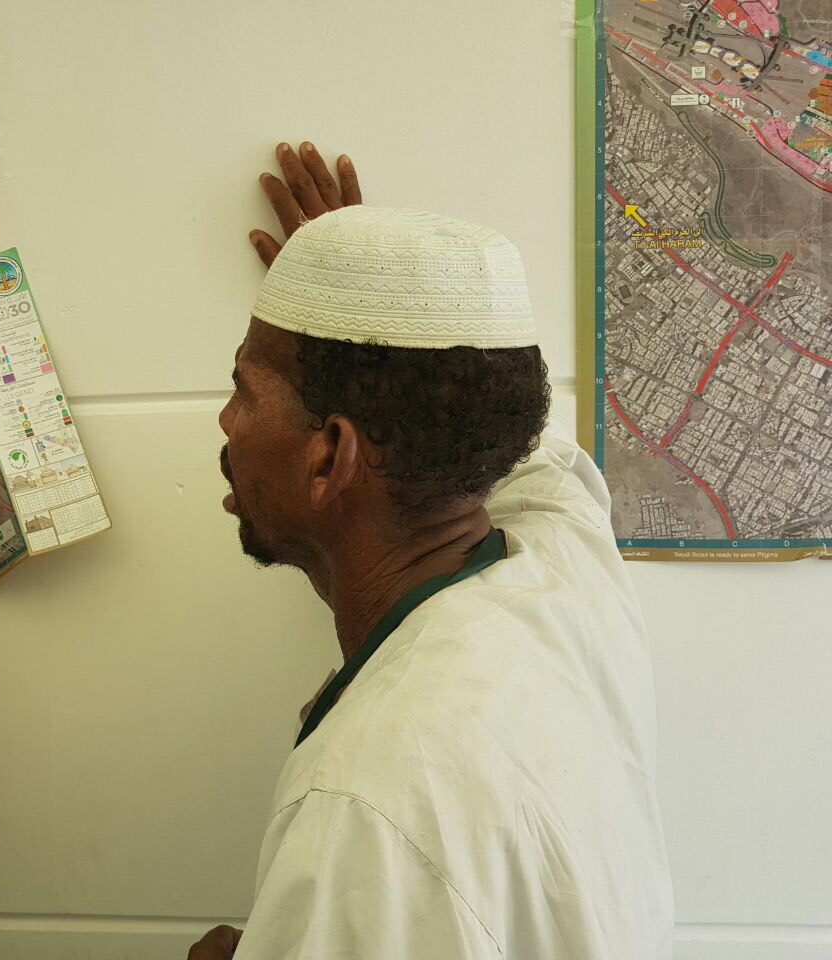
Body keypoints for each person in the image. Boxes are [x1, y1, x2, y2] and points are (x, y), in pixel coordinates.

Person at [189, 144, 674, 959]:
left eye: (244, 389)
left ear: (329, 456)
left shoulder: (366, 810)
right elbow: (511, 435)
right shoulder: (566, 560)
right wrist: (367, 287)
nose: (227, 422)